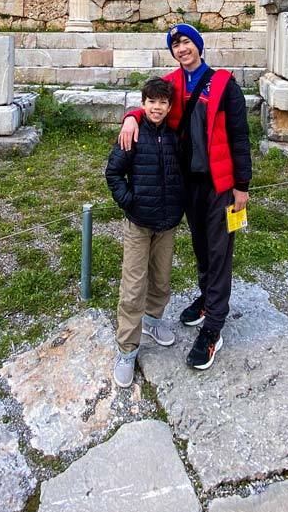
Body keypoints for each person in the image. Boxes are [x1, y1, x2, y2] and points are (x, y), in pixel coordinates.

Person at [119, 23, 251, 371]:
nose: (182, 49)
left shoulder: (224, 84)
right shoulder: (174, 84)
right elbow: (152, 105)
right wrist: (130, 118)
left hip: (220, 184)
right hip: (187, 184)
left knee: (220, 251)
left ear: (198, 46)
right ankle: (207, 300)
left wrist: (243, 185)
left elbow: (240, 136)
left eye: (187, 42)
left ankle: (213, 328)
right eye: (176, 45)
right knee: (201, 246)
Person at [105, 76, 185, 388]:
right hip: (139, 223)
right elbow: (113, 172)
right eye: (151, 102)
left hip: (167, 222)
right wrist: (129, 202)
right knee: (133, 286)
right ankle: (127, 350)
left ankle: (152, 320)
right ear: (143, 104)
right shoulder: (133, 133)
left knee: (162, 279)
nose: (157, 107)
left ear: (169, 106)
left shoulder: (174, 135)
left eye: (163, 102)